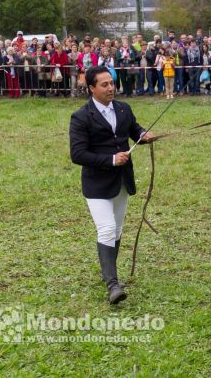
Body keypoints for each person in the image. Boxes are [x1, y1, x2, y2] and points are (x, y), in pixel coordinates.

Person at [69, 66, 157, 304]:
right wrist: (110, 159)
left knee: (116, 231)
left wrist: (144, 134)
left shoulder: (123, 108)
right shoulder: (81, 116)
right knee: (106, 228)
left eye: (112, 83)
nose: (111, 88)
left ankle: (110, 272)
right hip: (96, 184)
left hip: (121, 181)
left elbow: (133, 129)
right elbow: (77, 154)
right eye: (104, 85)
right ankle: (112, 285)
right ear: (91, 88)